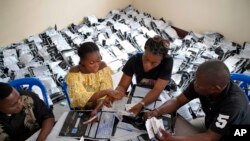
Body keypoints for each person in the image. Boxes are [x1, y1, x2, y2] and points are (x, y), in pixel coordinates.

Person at [145, 60, 250, 141]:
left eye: (199, 85)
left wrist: (173, 139)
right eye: (196, 80)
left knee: (176, 135)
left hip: (232, 133)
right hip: (211, 124)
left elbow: (211, 138)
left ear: (216, 88)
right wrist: (157, 111)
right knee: (174, 128)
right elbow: (178, 100)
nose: (195, 85)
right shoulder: (201, 83)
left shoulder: (233, 104)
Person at [105, 35, 173, 115]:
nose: (148, 65)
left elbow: (157, 90)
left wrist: (141, 104)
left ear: (162, 59)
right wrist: (114, 94)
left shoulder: (167, 62)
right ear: (144, 51)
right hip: (141, 90)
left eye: (154, 63)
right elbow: (123, 86)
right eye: (146, 58)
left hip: (161, 92)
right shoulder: (134, 59)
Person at [65, 42, 121, 110]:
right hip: (84, 109)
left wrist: (98, 107)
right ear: (82, 61)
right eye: (91, 62)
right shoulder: (74, 73)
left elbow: (106, 89)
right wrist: (106, 92)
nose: (96, 65)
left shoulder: (102, 67)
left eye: (98, 60)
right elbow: (81, 98)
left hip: (101, 104)